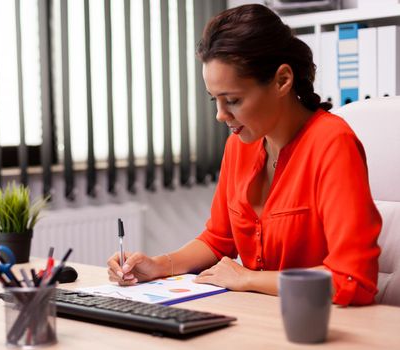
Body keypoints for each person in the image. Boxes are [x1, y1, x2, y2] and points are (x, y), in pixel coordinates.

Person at [107, 4, 381, 306]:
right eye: (215, 100)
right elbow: (218, 240)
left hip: (317, 322)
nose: (220, 115)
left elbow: (352, 278)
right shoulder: (239, 146)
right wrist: (158, 266)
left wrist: (249, 278)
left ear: (282, 81)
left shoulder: (332, 144)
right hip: (256, 317)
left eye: (233, 100)